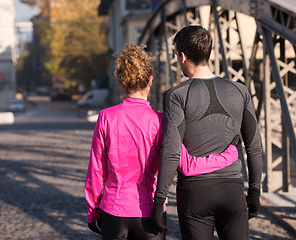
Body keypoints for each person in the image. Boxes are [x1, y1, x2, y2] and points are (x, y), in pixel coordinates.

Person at [84, 44, 240, 240]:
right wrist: (229, 155)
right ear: (150, 81)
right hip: (150, 212)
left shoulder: (106, 117)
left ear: (120, 82)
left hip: (113, 211)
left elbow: (96, 172)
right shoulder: (160, 121)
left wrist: (92, 211)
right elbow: (188, 166)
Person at [151, 26, 263, 240]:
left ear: (182, 56)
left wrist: (159, 200)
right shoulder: (240, 91)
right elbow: (254, 147)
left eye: (176, 54)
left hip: (195, 193)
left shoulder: (177, 95)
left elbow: (172, 152)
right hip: (232, 190)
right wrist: (255, 191)